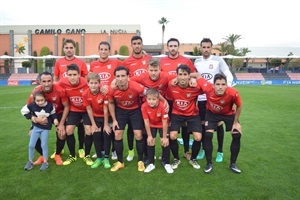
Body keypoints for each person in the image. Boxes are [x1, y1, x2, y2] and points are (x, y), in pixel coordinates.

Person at [194, 38, 234, 162]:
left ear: (211, 48)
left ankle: (220, 151)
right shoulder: (197, 61)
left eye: (208, 47)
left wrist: (226, 89)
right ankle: (204, 148)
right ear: (200, 48)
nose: (206, 49)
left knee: (218, 123)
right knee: (203, 124)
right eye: (204, 47)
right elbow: (195, 76)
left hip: (216, 99)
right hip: (201, 98)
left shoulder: (218, 60)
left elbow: (228, 74)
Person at [195, 73, 242, 174]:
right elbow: (197, 75)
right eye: (218, 84)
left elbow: (239, 106)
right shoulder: (207, 88)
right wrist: (185, 78)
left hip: (228, 113)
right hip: (211, 114)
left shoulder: (233, 93)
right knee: (208, 135)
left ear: (226, 85)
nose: (220, 87)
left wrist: (235, 122)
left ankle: (233, 164)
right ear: (213, 85)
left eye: (223, 84)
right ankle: (209, 163)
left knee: (237, 134)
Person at [160, 38, 197, 161]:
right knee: (168, 127)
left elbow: (194, 74)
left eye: (175, 45)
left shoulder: (186, 60)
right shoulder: (162, 61)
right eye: (170, 46)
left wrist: (191, 79)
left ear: (178, 47)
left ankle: (187, 150)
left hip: (183, 98)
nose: (173, 48)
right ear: (168, 47)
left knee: (185, 125)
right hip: (167, 98)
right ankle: (167, 153)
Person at [53, 38, 89, 158]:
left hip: (80, 101)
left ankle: (81, 149)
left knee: (81, 127)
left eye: (71, 47)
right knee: (62, 126)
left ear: (75, 49)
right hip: (67, 101)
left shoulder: (81, 62)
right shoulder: (58, 62)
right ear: (63, 49)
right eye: (67, 47)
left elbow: (87, 81)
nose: (69, 50)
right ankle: (60, 148)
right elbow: (55, 80)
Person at [107, 66, 146, 172]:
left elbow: (151, 94)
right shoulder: (112, 89)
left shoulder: (137, 87)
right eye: (118, 76)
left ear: (128, 77)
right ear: (115, 78)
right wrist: (114, 120)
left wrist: (164, 101)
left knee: (138, 134)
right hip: (121, 111)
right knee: (118, 134)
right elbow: (111, 104)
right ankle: (120, 162)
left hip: (135, 111)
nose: (120, 79)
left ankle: (140, 161)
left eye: (123, 76)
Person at [26, 72, 69, 166]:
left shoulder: (59, 90)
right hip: (41, 115)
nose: (47, 84)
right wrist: (35, 119)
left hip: (57, 113)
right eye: (44, 81)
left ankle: (57, 154)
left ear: (53, 81)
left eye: (49, 81)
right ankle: (42, 155)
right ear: (39, 82)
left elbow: (66, 106)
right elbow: (28, 109)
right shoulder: (35, 92)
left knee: (62, 133)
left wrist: (61, 124)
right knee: (31, 134)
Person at [89, 41, 123, 160]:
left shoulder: (116, 62)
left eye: (106, 49)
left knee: (113, 126)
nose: (103, 51)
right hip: (99, 99)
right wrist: (99, 88)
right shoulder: (93, 64)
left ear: (109, 51)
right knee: (101, 126)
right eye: (101, 49)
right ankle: (101, 150)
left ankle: (113, 150)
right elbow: (91, 80)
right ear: (98, 50)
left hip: (113, 99)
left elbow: (126, 70)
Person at [122, 35, 152, 162]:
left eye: (139, 43)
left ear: (142, 45)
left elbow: (156, 71)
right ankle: (130, 151)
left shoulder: (149, 59)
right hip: (133, 99)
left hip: (147, 98)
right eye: (134, 43)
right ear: (132, 45)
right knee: (131, 128)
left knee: (144, 128)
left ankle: (145, 153)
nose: (137, 45)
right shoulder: (127, 62)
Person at [168, 64, 203, 170]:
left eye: (185, 74)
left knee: (198, 137)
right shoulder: (171, 85)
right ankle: (176, 159)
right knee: (172, 136)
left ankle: (193, 159)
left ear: (189, 76)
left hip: (192, 114)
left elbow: (208, 89)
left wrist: (194, 78)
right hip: (177, 114)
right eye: (180, 74)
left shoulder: (196, 87)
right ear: (176, 75)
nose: (182, 77)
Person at [58, 64, 89, 165]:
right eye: (70, 74)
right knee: (69, 130)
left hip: (86, 110)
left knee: (88, 131)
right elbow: (52, 85)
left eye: (74, 74)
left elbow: (98, 86)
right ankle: (72, 155)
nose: (72, 77)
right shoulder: (62, 82)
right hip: (74, 110)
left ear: (79, 75)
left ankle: (86, 154)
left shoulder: (86, 82)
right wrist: (39, 87)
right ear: (66, 75)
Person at [21, 91, 59, 171]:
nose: (40, 102)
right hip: (36, 127)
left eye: (42, 100)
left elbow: (53, 114)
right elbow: (23, 111)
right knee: (31, 145)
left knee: (43, 145)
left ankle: (45, 162)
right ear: (34, 100)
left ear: (45, 99)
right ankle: (30, 161)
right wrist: (32, 117)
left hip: (45, 128)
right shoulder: (32, 105)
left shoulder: (50, 105)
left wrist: (55, 119)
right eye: (38, 101)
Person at [82, 72, 112, 169]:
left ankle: (106, 157)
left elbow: (105, 109)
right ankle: (99, 157)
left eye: (96, 83)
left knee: (106, 133)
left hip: (106, 116)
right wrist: (93, 124)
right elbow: (89, 109)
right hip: (95, 118)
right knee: (96, 134)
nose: (93, 85)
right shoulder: (85, 93)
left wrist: (106, 124)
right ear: (88, 83)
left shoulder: (104, 93)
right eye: (91, 83)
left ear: (99, 83)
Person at [141, 88, 173, 174]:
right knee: (150, 141)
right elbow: (146, 122)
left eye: (153, 99)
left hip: (162, 124)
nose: (151, 101)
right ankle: (151, 163)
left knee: (165, 142)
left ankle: (167, 163)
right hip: (151, 124)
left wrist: (165, 137)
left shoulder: (163, 106)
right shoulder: (144, 106)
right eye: (149, 99)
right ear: (146, 99)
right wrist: (149, 136)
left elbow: (165, 122)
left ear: (158, 99)